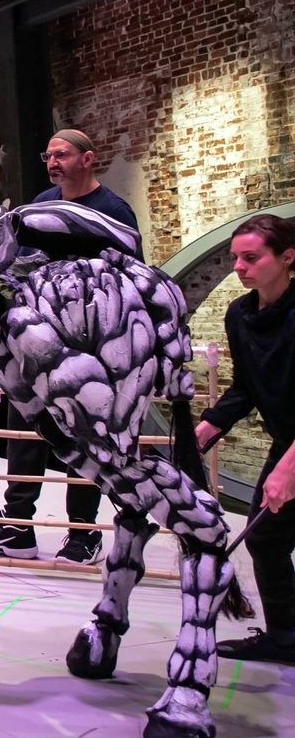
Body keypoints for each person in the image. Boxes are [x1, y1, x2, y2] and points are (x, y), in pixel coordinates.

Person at [0, 127, 140, 565]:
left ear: (88, 159)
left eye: (62, 154)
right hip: (33, 341)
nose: (53, 162)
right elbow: (17, 263)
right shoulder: (41, 205)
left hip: (87, 346)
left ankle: (83, 534)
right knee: (23, 433)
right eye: (48, 155)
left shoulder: (113, 211)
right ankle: (16, 529)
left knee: (81, 433)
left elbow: (130, 279)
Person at [195, 213, 295, 664]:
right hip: (286, 440)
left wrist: (289, 468)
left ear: (288, 257)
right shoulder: (240, 314)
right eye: (236, 258)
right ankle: (287, 638)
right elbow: (246, 386)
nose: (239, 267)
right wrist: (207, 427)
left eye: (251, 258)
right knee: (267, 539)